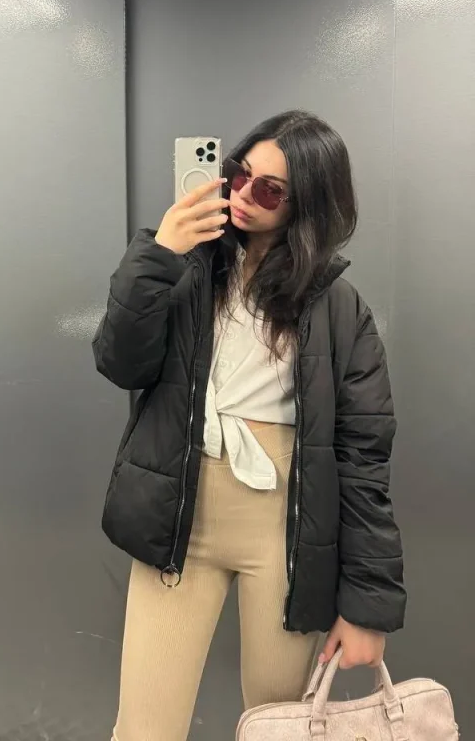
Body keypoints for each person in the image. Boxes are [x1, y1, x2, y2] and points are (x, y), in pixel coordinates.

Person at [93, 111, 405, 741]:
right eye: (239, 173)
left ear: (307, 205)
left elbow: (363, 460)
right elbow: (120, 364)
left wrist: (368, 607)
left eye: (269, 190)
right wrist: (156, 257)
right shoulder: (184, 267)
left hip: (285, 534)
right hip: (180, 516)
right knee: (144, 727)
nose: (241, 193)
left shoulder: (340, 309)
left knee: (279, 725)